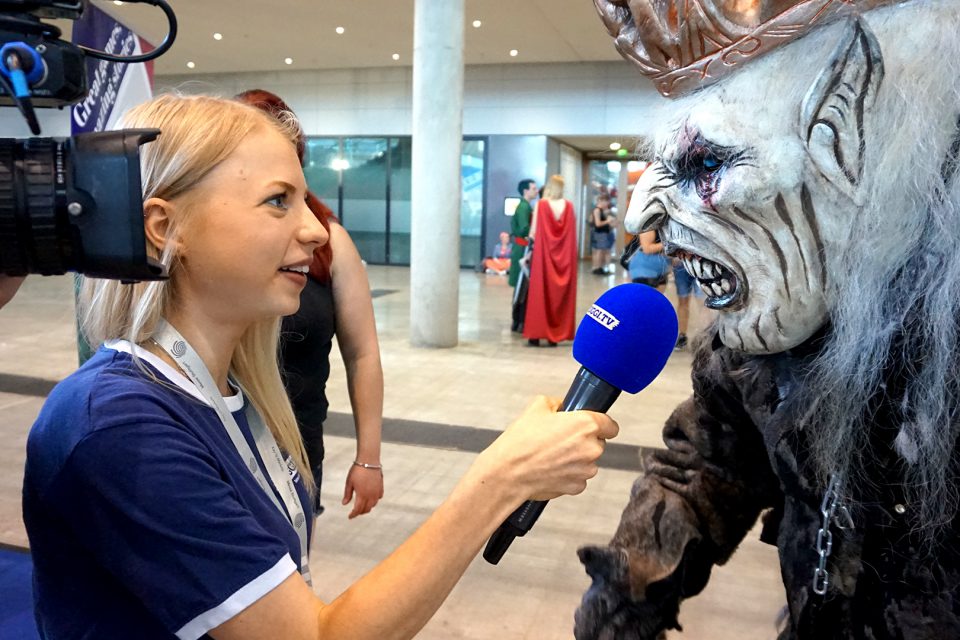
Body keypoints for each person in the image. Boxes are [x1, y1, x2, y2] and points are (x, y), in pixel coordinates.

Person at [21, 93, 618, 640]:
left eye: (304, 199)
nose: (313, 230)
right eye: (278, 201)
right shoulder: (118, 425)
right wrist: (501, 481)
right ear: (165, 228)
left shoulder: (235, 395)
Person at [576, 1, 960, 638]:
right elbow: (708, 464)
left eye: (705, 165)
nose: (639, 220)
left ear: (844, 129)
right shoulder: (770, 326)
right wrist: (629, 584)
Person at [236, 89, 383, 519]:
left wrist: (368, 456)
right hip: (216, 440)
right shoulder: (222, 236)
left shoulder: (326, 238)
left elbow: (363, 351)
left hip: (297, 445)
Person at [523, 174, 577, 347]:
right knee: (559, 295)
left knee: (540, 292)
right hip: (565, 258)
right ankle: (555, 335)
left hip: (543, 256)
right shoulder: (568, 206)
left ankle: (537, 334)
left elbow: (533, 232)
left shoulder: (541, 204)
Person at [509, 179, 537, 332]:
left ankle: (519, 320)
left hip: (523, 247)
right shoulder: (523, 207)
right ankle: (518, 320)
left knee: (523, 286)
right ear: (525, 191)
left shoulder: (526, 206)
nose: (536, 191)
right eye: (533, 188)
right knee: (521, 286)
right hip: (522, 249)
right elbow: (524, 228)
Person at [590, 194, 616, 275]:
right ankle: (597, 268)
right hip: (599, 233)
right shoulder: (597, 210)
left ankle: (598, 268)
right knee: (599, 251)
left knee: (600, 251)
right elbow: (598, 224)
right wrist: (607, 221)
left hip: (601, 233)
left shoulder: (602, 210)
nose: (606, 204)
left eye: (607, 202)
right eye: (605, 201)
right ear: (600, 201)